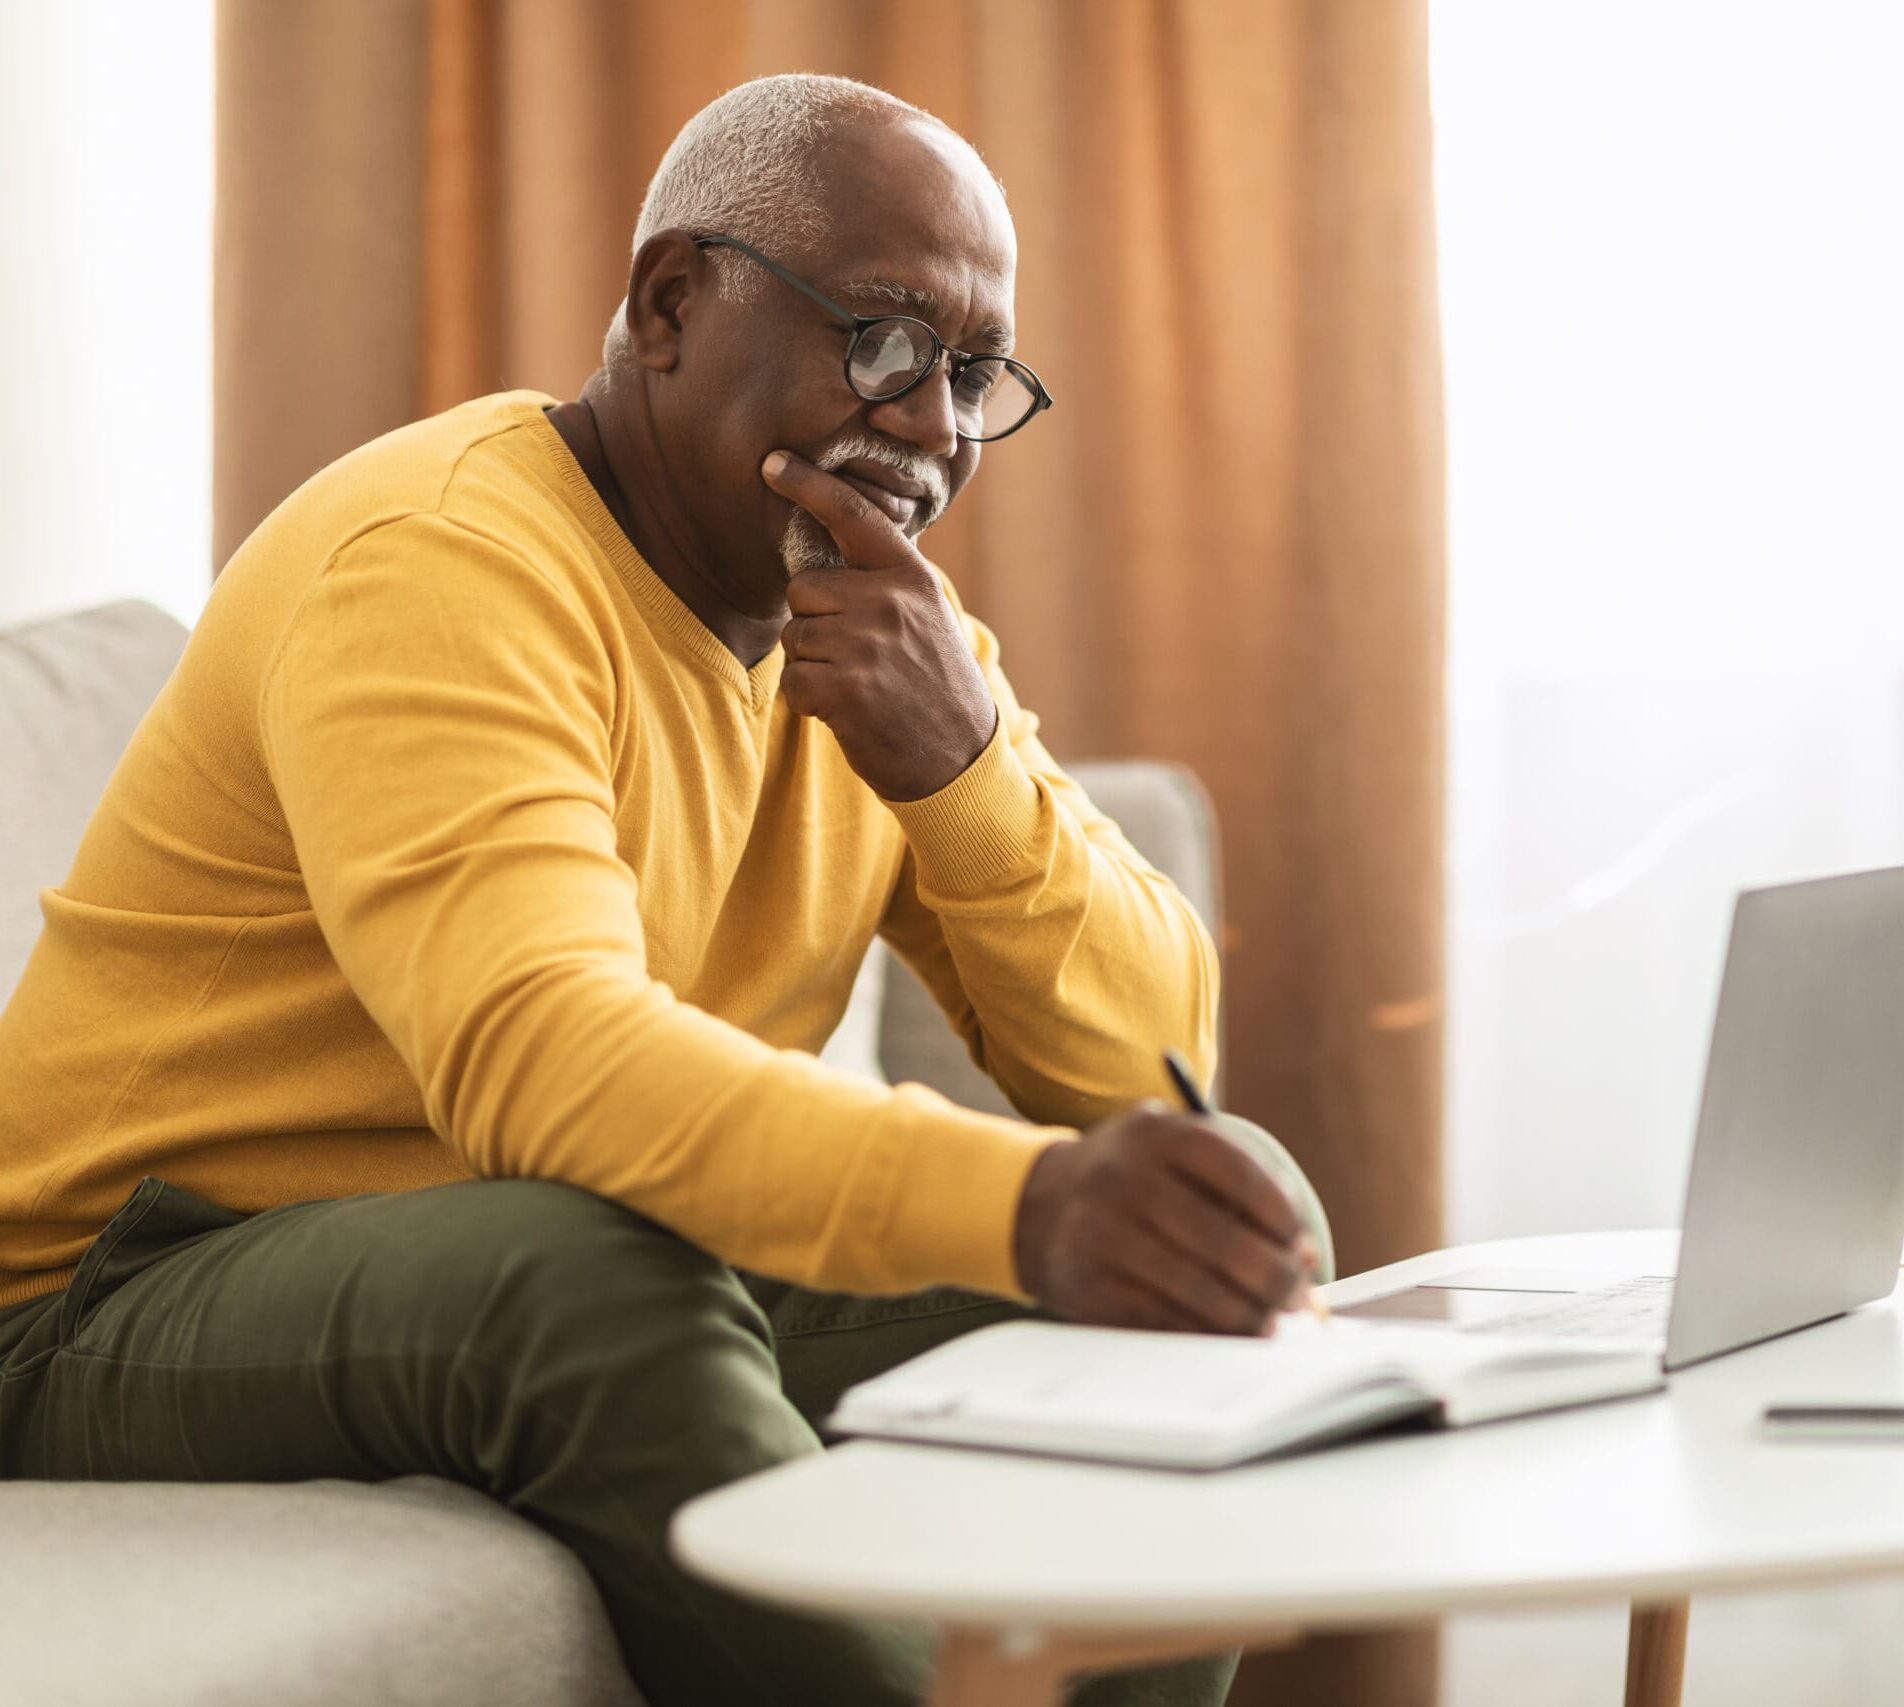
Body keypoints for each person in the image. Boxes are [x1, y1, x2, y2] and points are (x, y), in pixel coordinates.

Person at [0, 72, 1317, 1707]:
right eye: (886, 339)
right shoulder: (441, 561)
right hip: (109, 1297)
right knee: (585, 1276)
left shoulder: (878, 631)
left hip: (540, 1249)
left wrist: (959, 766)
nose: (932, 425)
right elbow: (538, 1065)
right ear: (672, 304)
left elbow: (1146, 1072)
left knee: (1218, 1224)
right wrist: (1023, 1208)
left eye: (977, 375)